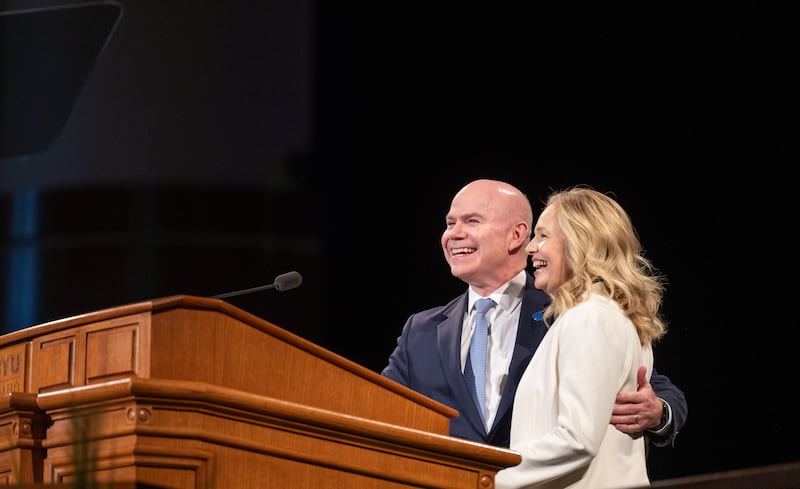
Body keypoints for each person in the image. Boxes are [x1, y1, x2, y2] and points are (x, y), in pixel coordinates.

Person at [381, 179, 686, 451]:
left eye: (471, 221)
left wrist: (660, 412)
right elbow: (376, 407)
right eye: (450, 224)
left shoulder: (572, 310)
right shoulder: (420, 331)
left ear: (517, 235)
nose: (454, 234)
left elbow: (653, 386)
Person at [494, 185, 668, 488]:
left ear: (580, 242)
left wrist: (490, 476)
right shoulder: (608, 315)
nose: (531, 247)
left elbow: (577, 439)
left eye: (543, 235)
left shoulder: (590, 317)